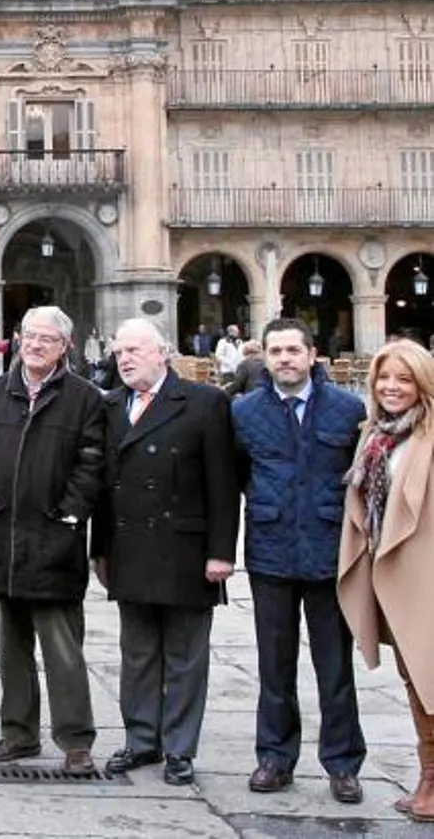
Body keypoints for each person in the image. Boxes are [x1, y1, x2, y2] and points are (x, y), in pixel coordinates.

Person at [0, 305, 107, 776]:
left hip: (54, 542)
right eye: (29, 336)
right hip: (0, 540)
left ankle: (75, 741)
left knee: (63, 650)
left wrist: (70, 515)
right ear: (17, 340)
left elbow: (93, 463)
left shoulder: (85, 398)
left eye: (47, 339)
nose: (35, 345)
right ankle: (18, 734)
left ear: (65, 346)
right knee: (10, 651)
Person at [91, 318, 239, 786]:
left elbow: (224, 483)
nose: (125, 359)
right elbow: (103, 489)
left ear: (163, 353)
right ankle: (141, 740)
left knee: (184, 656)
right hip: (129, 547)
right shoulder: (111, 405)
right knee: (136, 653)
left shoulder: (204, 402)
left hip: (186, 550)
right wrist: (100, 550)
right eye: (119, 353)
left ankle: (179, 748)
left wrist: (222, 552)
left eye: (134, 350)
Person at [235, 318, 366, 803]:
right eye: (276, 351)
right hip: (270, 552)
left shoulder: (348, 409)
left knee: (335, 667)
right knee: (274, 664)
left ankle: (343, 764)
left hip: (330, 553)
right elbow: (234, 478)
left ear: (313, 355)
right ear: (264, 358)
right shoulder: (244, 411)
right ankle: (274, 757)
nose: (285, 359)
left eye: (294, 350)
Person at [337, 340, 434, 822]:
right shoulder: (376, 435)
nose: (392, 387)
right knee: (414, 681)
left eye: (404, 379)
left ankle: (432, 785)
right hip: (391, 576)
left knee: (429, 679)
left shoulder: (429, 435)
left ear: (423, 386)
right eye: (384, 378)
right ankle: (428, 777)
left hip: (425, 577)